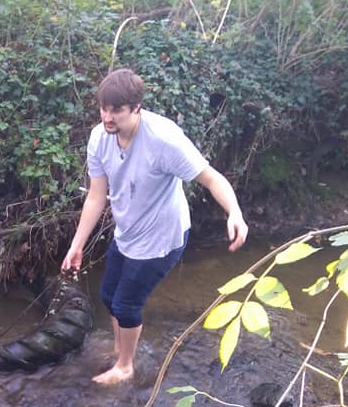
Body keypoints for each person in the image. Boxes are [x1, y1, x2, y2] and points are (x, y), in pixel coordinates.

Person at [61, 68, 248, 385]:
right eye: (103, 108)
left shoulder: (164, 139)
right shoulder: (99, 137)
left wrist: (235, 213)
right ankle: (123, 350)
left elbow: (211, 177)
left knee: (126, 303)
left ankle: (125, 367)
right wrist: (76, 245)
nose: (107, 117)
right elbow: (96, 196)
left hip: (163, 237)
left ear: (136, 108)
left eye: (116, 110)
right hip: (128, 230)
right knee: (108, 294)